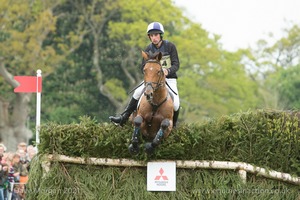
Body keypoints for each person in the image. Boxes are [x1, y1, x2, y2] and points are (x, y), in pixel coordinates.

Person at [109, 22, 180, 127]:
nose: (154, 38)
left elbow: (176, 64)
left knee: (176, 104)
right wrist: (150, 72)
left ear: (160, 35)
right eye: (151, 35)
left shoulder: (170, 46)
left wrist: (167, 71)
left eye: (156, 35)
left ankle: (173, 125)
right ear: (149, 37)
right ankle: (123, 117)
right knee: (137, 92)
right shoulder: (148, 49)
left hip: (169, 79)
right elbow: (143, 66)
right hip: (152, 80)